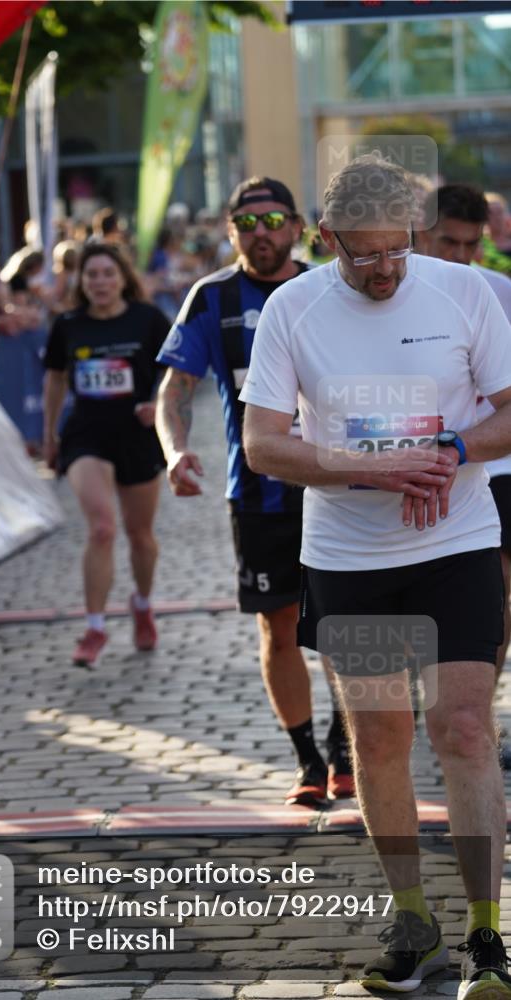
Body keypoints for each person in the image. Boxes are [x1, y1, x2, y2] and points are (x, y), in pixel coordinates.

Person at [240, 154, 511, 997]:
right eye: (364, 256)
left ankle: (487, 936)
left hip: (457, 541)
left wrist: (450, 452)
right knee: (381, 738)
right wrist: (367, 469)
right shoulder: (291, 308)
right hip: (350, 556)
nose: (386, 268)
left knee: (462, 730)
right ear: (325, 241)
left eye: (397, 249)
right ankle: (412, 923)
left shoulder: (466, 291)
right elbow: (262, 443)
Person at [155, 176, 353, 806]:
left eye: (273, 222)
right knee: (279, 625)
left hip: (341, 482)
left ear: (297, 227)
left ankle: (347, 743)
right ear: (229, 231)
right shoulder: (210, 298)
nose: (260, 234)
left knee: (347, 622)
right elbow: (174, 391)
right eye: (246, 224)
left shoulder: (333, 286)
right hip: (260, 491)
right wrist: (175, 448)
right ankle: (307, 761)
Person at [43, 243, 170, 666]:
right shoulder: (68, 325)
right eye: (91, 274)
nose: (99, 282)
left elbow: (175, 370)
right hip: (86, 437)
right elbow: (55, 379)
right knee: (101, 527)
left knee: (141, 537)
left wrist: (157, 403)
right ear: (81, 281)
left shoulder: (147, 319)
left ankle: (142, 602)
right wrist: (49, 434)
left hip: (136, 434)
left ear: (122, 278)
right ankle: (94, 628)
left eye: (107, 273)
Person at [421, 185, 511, 727]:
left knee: (494, 593)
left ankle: (474, 705)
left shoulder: (499, 290)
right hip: (412, 468)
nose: (458, 256)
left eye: (469, 245)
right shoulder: (391, 292)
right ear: (421, 235)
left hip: (496, 466)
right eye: (446, 242)